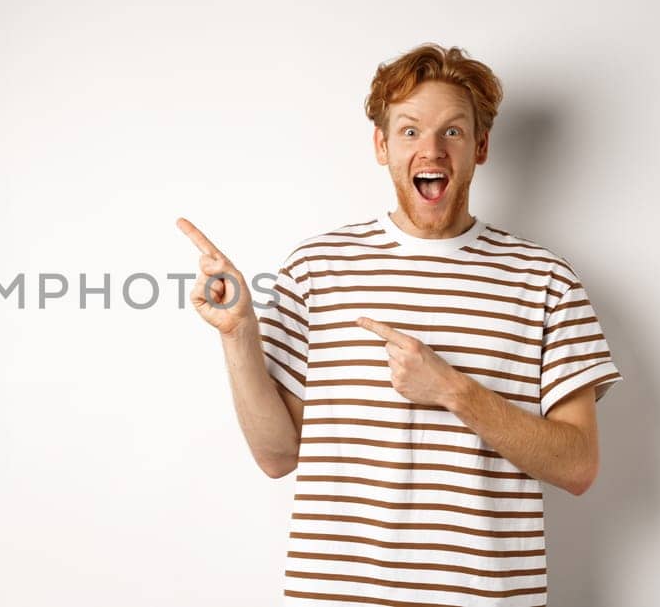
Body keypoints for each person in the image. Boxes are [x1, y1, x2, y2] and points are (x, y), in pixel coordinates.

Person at [176, 43, 623, 607]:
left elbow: (579, 466)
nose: (430, 149)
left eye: (452, 132)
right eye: (409, 132)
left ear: (481, 146)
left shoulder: (545, 280)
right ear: (382, 146)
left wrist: (453, 391)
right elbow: (277, 455)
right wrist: (239, 333)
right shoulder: (318, 267)